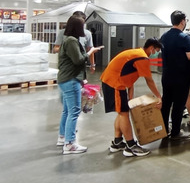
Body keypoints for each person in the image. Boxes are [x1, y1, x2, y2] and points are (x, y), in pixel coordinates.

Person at [101, 38, 163, 157]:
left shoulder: (137, 53)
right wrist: (159, 96)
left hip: (112, 81)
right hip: (115, 83)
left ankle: (117, 142)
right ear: (151, 48)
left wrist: (130, 92)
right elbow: (149, 80)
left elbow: (128, 71)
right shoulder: (142, 58)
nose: (155, 53)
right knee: (123, 113)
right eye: (156, 51)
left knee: (121, 112)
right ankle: (131, 146)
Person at [57, 15, 103, 154]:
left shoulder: (69, 39)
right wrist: (91, 51)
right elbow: (79, 60)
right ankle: (70, 144)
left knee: (67, 111)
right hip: (70, 80)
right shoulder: (71, 41)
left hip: (67, 79)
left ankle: (63, 137)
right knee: (74, 111)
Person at [159, 10, 190, 140]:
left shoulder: (164, 36)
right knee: (179, 105)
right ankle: (175, 132)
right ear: (182, 21)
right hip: (181, 77)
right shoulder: (183, 37)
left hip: (166, 75)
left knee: (166, 103)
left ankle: (164, 130)